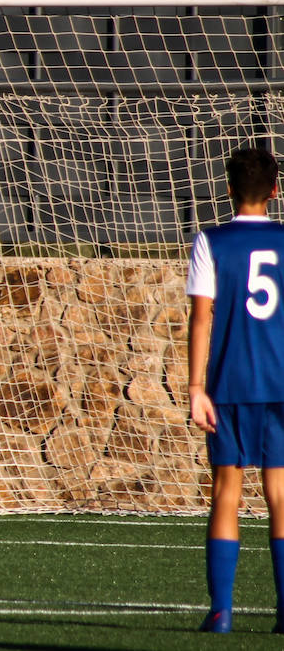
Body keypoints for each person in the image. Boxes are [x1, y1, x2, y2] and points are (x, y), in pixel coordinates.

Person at [187, 145, 284, 633]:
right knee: (281, 493)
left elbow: (201, 318)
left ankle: (221, 612)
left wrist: (194, 387)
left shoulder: (210, 242)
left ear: (227, 190)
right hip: (280, 385)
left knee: (226, 490)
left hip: (227, 384)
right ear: (275, 190)